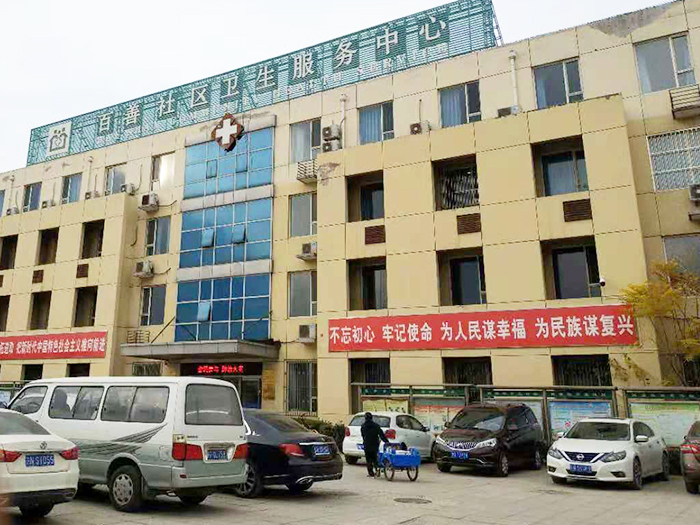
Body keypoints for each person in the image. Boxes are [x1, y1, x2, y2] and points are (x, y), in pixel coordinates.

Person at [360, 412, 390, 477]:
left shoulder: (363, 426)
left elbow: (363, 435)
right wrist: (387, 442)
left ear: (365, 418)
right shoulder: (376, 426)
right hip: (375, 444)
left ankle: (371, 473)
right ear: (372, 418)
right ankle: (377, 470)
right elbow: (381, 435)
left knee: (368, 459)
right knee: (375, 458)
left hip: (367, 444)